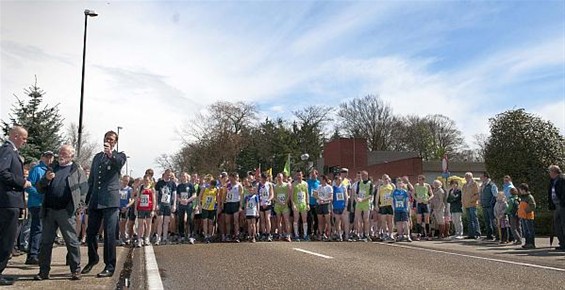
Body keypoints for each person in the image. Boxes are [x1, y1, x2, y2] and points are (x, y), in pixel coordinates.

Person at [34, 144, 88, 281]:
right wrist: (46, 179)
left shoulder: (76, 170)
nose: (61, 155)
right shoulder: (52, 168)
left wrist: (79, 206)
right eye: (60, 152)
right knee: (46, 243)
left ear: (71, 155)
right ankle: (43, 271)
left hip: (66, 211)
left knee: (71, 241)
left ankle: (75, 270)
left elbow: (84, 190)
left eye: (64, 153)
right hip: (50, 211)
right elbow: (39, 188)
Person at [82, 130, 126, 278]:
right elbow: (92, 180)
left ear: (115, 142)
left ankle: (110, 266)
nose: (109, 141)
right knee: (91, 233)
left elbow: (119, 163)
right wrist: (86, 201)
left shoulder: (119, 156)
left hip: (110, 201)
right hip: (96, 200)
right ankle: (93, 259)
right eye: (107, 139)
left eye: (112, 139)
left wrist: (110, 154)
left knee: (109, 234)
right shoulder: (97, 157)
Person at [0, 126, 31, 286]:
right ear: (16, 136)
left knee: (7, 239)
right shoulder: (7, 150)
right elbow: (2, 172)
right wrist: (22, 182)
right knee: (6, 239)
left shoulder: (11, 152)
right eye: (24, 138)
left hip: (10, 201)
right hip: (7, 202)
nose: (25, 142)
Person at [24, 151, 54, 265]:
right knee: (37, 228)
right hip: (36, 203)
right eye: (46, 157)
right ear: (42, 157)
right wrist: (40, 195)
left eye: (50, 157)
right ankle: (33, 255)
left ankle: (35, 253)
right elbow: (28, 186)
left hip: (45, 204)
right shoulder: (37, 170)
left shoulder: (51, 170)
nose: (49, 159)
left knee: (40, 229)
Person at [154, 169, 177, 245]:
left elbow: (174, 195)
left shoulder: (172, 183)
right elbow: (156, 195)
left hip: (168, 205)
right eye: (167, 175)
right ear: (164, 174)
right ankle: (158, 237)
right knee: (160, 220)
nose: (168, 176)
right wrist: (156, 204)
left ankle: (164, 237)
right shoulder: (159, 183)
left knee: (166, 222)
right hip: (161, 204)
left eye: (170, 175)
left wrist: (174, 205)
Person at [135, 176, 156, 248]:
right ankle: (139, 239)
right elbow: (137, 198)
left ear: (150, 181)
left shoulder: (151, 189)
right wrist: (135, 209)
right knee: (140, 224)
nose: (146, 181)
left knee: (148, 224)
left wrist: (153, 210)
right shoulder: (141, 188)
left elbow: (154, 200)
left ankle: (147, 238)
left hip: (149, 209)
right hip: (141, 208)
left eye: (147, 180)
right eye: (145, 180)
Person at [548, 165, 565, 251]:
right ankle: (562, 243)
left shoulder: (562, 179)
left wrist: (562, 202)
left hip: (562, 205)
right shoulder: (552, 181)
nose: (549, 173)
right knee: (557, 225)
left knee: (563, 224)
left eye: (550, 171)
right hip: (556, 206)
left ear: (555, 172)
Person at [176, 172, 196, 244]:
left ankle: (191, 236)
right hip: (181, 204)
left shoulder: (190, 185)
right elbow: (177, 196)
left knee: (190, 219)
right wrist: (181, 200)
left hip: (189, 204)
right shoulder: (179, 186)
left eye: (184, 176)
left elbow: (194, 195)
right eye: (182, 176)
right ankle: (182, 235)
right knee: (181, 219)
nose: (183, 177)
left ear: (187, 177)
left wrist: (187, 200)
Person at [355, 171, 373, 242]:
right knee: (359, 219)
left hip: (366, 203)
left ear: (367, 176)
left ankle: (366, 234)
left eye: (364, 175)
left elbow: (370, 195)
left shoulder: (370, 183)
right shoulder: (359, 183)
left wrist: (363, 199)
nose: (363, 177)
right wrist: (357, 199)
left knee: (366, 219)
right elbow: (356, 193)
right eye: (362, 175)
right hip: (359, 203)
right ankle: (360, 234)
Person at [224, 173, 243, 243]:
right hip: (228, 203)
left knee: (236, 221)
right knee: (227, 221)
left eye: (231, 177)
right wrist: (223, 203)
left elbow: (241, 196)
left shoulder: (239, 185)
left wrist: (240, 206)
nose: (230, 179)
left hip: (235, 203)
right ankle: (228, 235)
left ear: (234, 177)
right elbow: (225, 194)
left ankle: (237, 235)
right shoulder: (228, 185)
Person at [376, 174, 395, 241]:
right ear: (382, 180)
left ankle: (391, 234)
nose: (386, 180)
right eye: (384, 179)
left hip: (390, 205)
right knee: (383, 220)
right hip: (383, 205)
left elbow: (395, 195)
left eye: (387, 178)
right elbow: (377, 196)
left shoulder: (392, 186)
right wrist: (376, 205)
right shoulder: (380, 187)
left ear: (389, 179)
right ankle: (384, 233)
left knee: (390, 220)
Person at [199, 178, 218, 244]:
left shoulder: (216, 189)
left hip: (212, 208)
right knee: (205, 221)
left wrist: (218, 206)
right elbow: (200, 196)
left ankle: (210, 235)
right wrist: (199, 205)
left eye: (213, 186)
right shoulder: (204, 188)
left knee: (211, 222)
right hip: (205, 207)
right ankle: (205, 236)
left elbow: (217, 198)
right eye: (211, 185)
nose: (211, 187)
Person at [273, 173, 292, 242]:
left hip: (285, 205)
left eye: (280, 177)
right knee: (279, 220)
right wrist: (279, 202)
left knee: (286, 220)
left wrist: (285, 202)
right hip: (278, 205)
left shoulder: (286, 185)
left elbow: (289, 195)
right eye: (278, 177)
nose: (279, 178)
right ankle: (280, 234)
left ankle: (288, 235)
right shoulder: (275, 186)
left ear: (283, 177)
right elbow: (274, 197)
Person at [480, 172, 498, 241]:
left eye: (482, 177)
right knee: (487, 221)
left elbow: (495, 195)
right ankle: (489, 235)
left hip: (490, 206)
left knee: (493, 220)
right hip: (484, 205)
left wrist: (491, 203)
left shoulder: (492, 185)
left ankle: (497, 235)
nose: (481, 178)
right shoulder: (483, 185)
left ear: (486, 177)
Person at [414, 175, 433, 241]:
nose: (419, 181)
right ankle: (419, 234)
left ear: (423, 180)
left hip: (425, 203)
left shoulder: (427, 185)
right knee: (419, 219)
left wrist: (428, 200)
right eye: (418, 179)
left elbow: (432, 194)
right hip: (419, 203)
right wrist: (416, 199)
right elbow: (413, 194)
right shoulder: (416, 185)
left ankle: (428, 234)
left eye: (420, 179)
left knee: (426, 219)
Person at [292, 170, 309, 241]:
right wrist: (293, 204)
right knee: (296, 219)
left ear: (302, 176)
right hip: (296, 204)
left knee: (304, 219)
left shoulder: (305, 184)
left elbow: (307, 194)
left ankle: (305, 234)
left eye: (300, 175)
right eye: (298, 175)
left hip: (303, 204)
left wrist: (308, 203)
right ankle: (296, 235)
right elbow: (291, 195)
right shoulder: (294, 184)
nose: (299, 176)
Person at [462, 172, 481, 239]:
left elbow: (477, 194)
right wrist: (463, 203)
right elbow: (463, 195)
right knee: (469, 220)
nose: (467, 177)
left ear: (471, 177)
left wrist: (471, 200)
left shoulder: (475, 184)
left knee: (474, 219)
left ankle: (477, 233)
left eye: (468, 176)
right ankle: (471, 234)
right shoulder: (464, 185)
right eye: (466, 176)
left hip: (472, 204)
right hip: (466, 204)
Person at [314, 175, 333, 241]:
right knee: (320, 221)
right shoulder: (318, 187)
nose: (320, 181)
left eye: (321, 179)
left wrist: (324, 200)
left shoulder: (329, 187)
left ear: (324, 180)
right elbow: (315, 194)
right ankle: (321, 234)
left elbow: (331, 197)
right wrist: (319, 199)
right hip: (319, 205)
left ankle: (329, 235)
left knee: (328, 221)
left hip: (326, 204)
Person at [518, 183, 536, 249]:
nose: (519, 191)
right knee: (525, 231)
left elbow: (533, 206)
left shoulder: (529, 197)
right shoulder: (522, 197)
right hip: (523, 216)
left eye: (520, 190)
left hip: (528, 216)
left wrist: (526, 211)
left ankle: (531, 243)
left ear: (523, 190)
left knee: (530, 230)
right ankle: (527, 243)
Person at [118, 176, 134, 246]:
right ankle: (119, 237)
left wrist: (127, 206)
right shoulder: (118, 188)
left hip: (125, 208)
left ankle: (123, 236)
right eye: (124, 180)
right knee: (118, 223)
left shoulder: (130, 189)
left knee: (123, 223)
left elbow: (132, 199)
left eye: (127, 181)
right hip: (117, 208)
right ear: (122, 180)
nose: (125, 182)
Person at [332, 175, 349, 242]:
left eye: (340, 180)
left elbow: (346, 197)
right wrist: (332, 208)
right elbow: (331, 199)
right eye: (338, 180)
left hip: (343, 207)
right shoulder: (333, 188)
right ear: (335, 180)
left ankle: (346, 235)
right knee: (337, 222)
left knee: (345, 222)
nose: (340, 181)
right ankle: (339, 235)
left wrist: (345, 206)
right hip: (336, 207)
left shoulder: (343, 187)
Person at [307, 170, 320, 239]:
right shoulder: (308, 182)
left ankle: (315, 232)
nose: (313, 176)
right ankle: (309, 233)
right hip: (309, 203)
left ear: (316, 175)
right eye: (312, 174)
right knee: (310, 219)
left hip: (316, 203)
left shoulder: (319, 183)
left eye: (314, 174)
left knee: (317, 219)